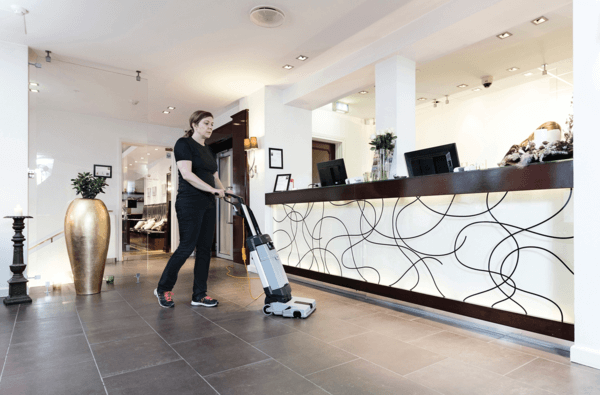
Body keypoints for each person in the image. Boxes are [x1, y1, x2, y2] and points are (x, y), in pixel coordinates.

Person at [154, 110, 226, 308]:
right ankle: (163, 288)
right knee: (187, 246)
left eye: (212, 124)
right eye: (206, 123)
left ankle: (199, 295)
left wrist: (222, 190)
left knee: (204, 250)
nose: (210, 127)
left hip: (209, 203)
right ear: (194, 125)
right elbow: (186, 174)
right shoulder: (183, 144)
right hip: (189, 202)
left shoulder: (209, 150)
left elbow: (214, 176)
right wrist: (212, 189)